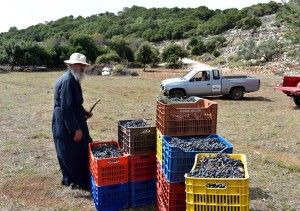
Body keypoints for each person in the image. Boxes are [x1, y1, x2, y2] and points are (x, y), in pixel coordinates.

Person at [52, 53, 93, 190]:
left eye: (83, 65)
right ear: (71, 65)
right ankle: (78, 181)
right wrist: (75, 128)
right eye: (79, 64)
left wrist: (84, 112)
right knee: (72, 151)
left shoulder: (73, 78)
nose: (82, 67)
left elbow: (74, 104)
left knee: (80, 148)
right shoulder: (68, 80)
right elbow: (66, 108)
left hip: (72, 117)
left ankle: (73, 179)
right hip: (66, 121)